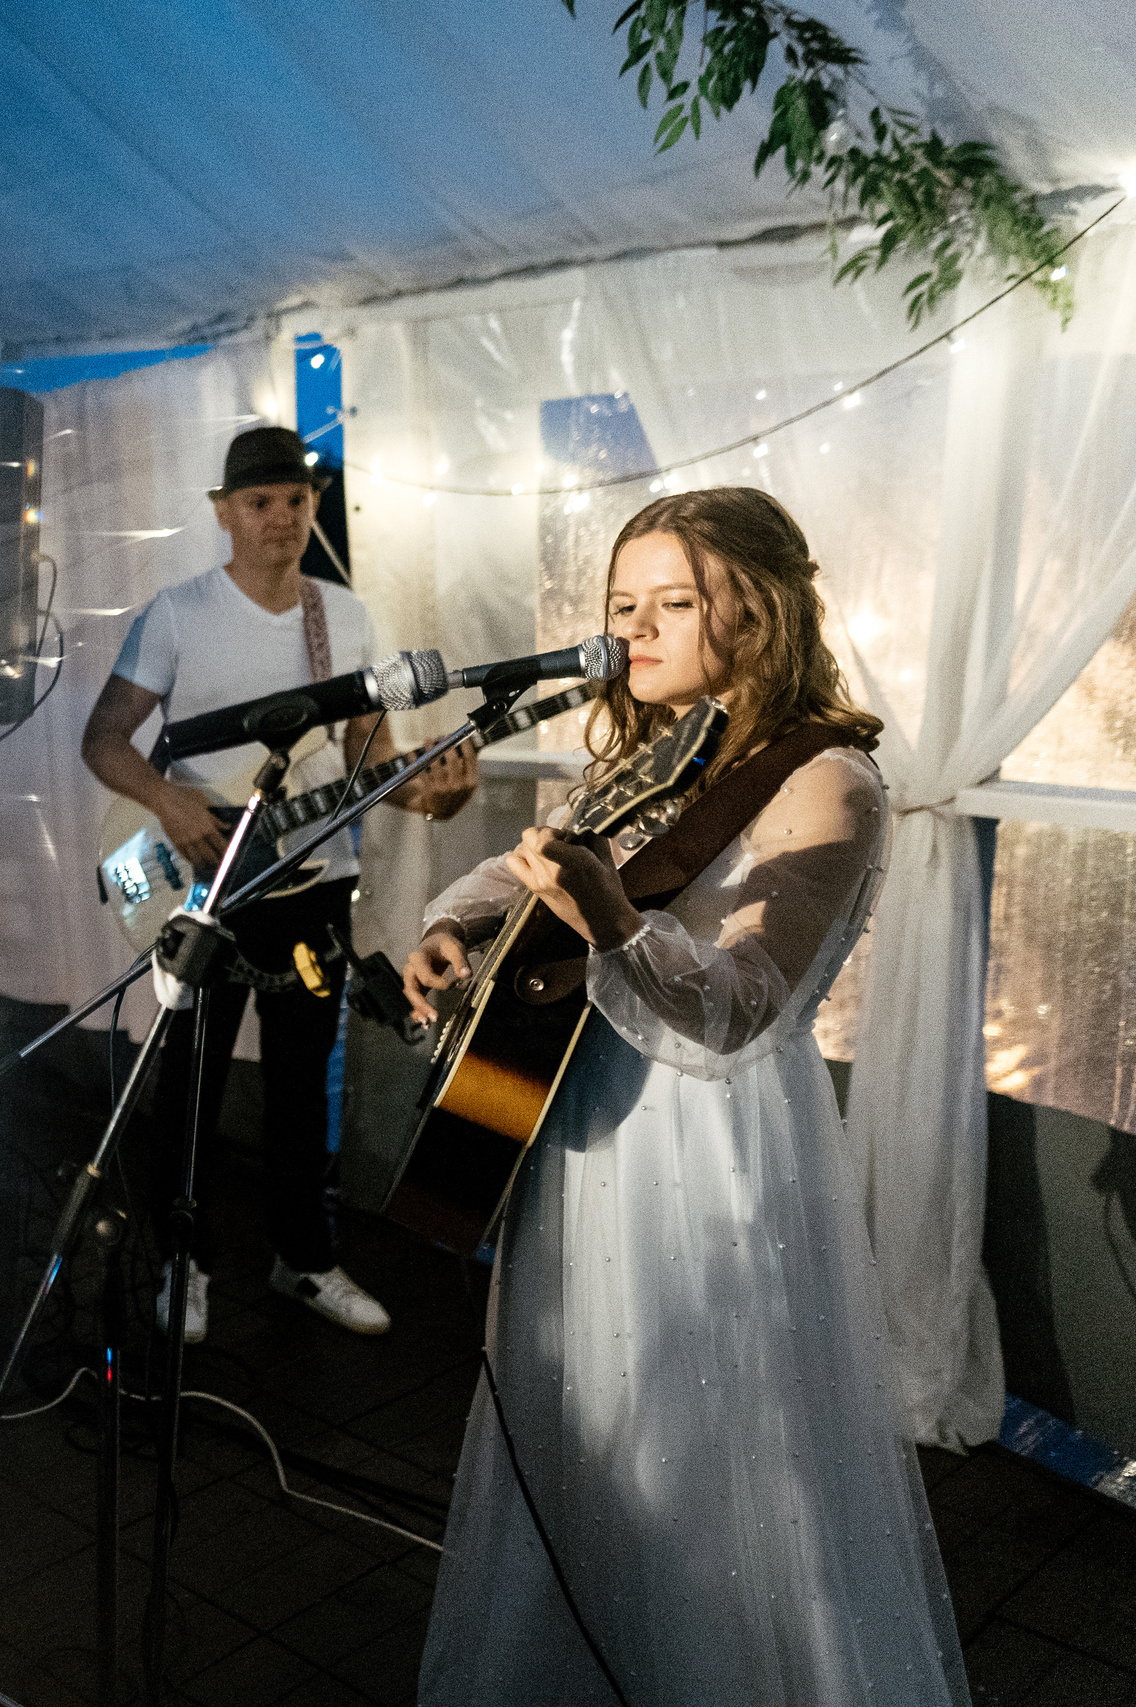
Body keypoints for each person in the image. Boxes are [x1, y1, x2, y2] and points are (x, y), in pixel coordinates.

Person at [402, 488, 967, 1703]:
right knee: (584, 1422)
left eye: (674, 603)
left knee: (703, 1447)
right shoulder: (659, 751)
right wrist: (451, 925)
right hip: (585, 1127)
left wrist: (613, 922)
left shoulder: (829, 781)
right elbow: (516, 871)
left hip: (705, 1145)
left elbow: (743, 1006)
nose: (635, 631)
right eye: (622, 606)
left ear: (754, 614)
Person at [82, 424, 477, 1343]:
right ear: (224, 513)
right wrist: (171, 802)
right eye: (259, 502)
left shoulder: (345, 616)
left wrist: (430, 794)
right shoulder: (177, 613)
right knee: (192, 1080)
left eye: (296, 500)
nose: (281, 518)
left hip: (314, 882)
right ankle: (182, 1259)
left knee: (303, 1085)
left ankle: (303, 1256)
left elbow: (368, 757)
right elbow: (103, 738)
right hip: (207, 887)